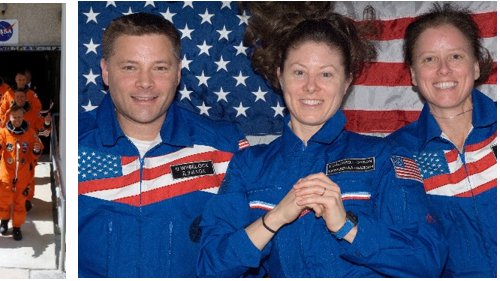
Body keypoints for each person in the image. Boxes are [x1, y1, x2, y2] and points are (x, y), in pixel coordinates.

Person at [197, 3, 446, 277]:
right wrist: (275, 217)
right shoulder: (249, 165)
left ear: (347, 81)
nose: (311, 86)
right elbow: (211, 268)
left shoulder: (385, 158)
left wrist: (347, 225)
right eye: (299, 72)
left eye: (326, 74)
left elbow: (426, 261)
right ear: (280, 77)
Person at [77, 13, 248, 278]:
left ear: (178, 73)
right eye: (129, 67)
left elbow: (249, 254)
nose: (145, 83)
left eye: (160, 67)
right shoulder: (73, 146)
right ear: (106, 71)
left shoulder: (224, 149)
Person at [385, 3, 497, 277]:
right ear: (413, 74)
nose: (443, 70)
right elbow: (403, 248)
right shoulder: (397, 153)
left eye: (456, 56)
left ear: (475, 66)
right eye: (429, 59)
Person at [0, 105, 42, 240]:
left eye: (20, 117)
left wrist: (36, 150)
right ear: (10, 117)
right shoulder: (3, 133)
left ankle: (17, 227)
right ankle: (4, 221)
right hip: (7, 173)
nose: (17, 120)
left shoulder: (30, 133)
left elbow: (36, 151)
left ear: (23, 117)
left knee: (20, 203)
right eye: (14, 117)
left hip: (23, 174)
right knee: (4, 201)